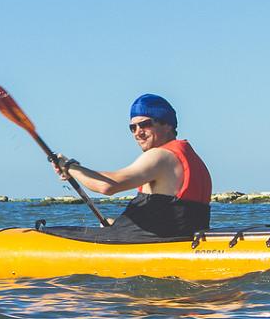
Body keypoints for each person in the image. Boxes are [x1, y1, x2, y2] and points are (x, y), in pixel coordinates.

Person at [49, 94, 212, 237]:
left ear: (166, 124)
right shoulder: (191, 156)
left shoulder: (159, 156)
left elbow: (107, 186)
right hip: (179, 238)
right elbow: (169, 219)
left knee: (54, 232)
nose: (138, 132)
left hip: (155, 242)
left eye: (145, 124)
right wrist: (118, 224)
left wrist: (70, 166)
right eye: (132, 127)